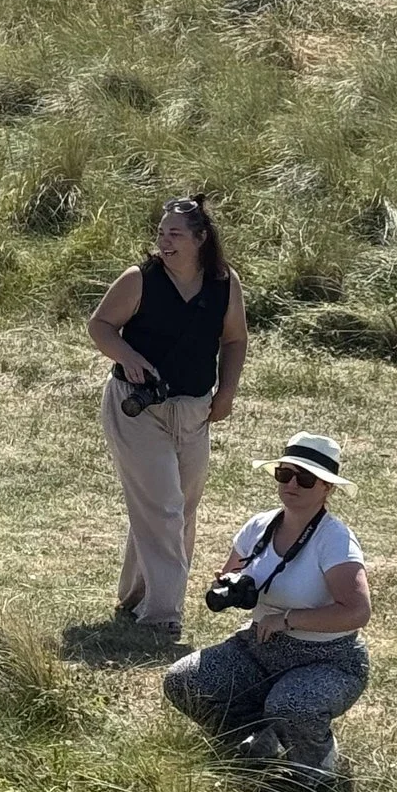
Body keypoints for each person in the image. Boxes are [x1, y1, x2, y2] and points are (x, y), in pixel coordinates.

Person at [162, 435, 372, 792]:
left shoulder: (335, 540)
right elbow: (230, 576)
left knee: (292, 702)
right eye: (285, 473)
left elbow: (357, 611)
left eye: (305, 479)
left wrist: (289, 619)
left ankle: (318, 765)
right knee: (184, 681)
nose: (291, 484)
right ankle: (259, 738)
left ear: (327, 488)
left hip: (328, 658)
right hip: (260, 646)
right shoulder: (259, 526)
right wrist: (229, 586)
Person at [88, 195, 248, 639]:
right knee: (164, 507)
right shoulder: (139, 279)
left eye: (174, 233)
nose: (164, 240)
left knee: (178, 507)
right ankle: (163, 615)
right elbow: (100, 325)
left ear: (201, 239)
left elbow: (235, 340)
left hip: (195, 410)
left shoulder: (224, 283)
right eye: (161, 232)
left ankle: (136, 596)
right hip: (136, 408)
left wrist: (227, 391)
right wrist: (129, 356)